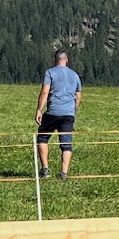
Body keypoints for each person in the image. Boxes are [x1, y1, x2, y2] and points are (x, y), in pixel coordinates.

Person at [35, 49, 81, 179]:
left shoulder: (50, 72)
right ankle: (64, 173)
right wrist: (73, 110)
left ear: (55, 60)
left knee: (42, 138)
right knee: (66, 144)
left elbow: (45, 92)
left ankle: (45, 169)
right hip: (68, 114)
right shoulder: (75, 75)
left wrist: (39, 109)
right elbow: (78, 96)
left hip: (52, 112)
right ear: (67, 60)